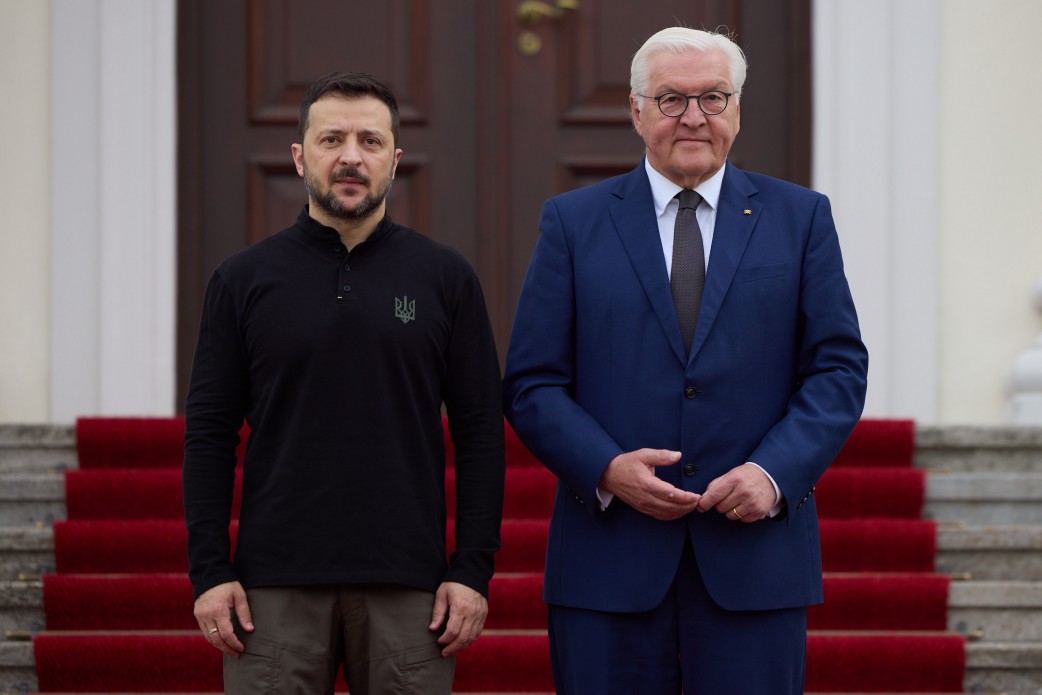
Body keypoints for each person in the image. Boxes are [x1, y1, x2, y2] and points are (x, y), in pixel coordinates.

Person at [502, 27, 869, 694]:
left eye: (713, 97)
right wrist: (607, 467)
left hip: (755, 561)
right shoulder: (572, 222)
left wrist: (771, 472)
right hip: (608, 561)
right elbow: (532, 382)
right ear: (636, 111)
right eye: (672, 99)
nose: (694, 117)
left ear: (737, 109)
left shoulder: (802, 218)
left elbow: (837, 369)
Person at [182, 71, 505, 695]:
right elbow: (210, 434)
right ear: (301, 156)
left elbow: (480, 435)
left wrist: (471, 569)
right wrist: (209, 571)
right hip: (270, 589)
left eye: (370, 141)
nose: (351, 156)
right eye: (332, 139)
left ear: (394, 158)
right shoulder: (243, 280)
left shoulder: (445, 278)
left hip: (410, 588)